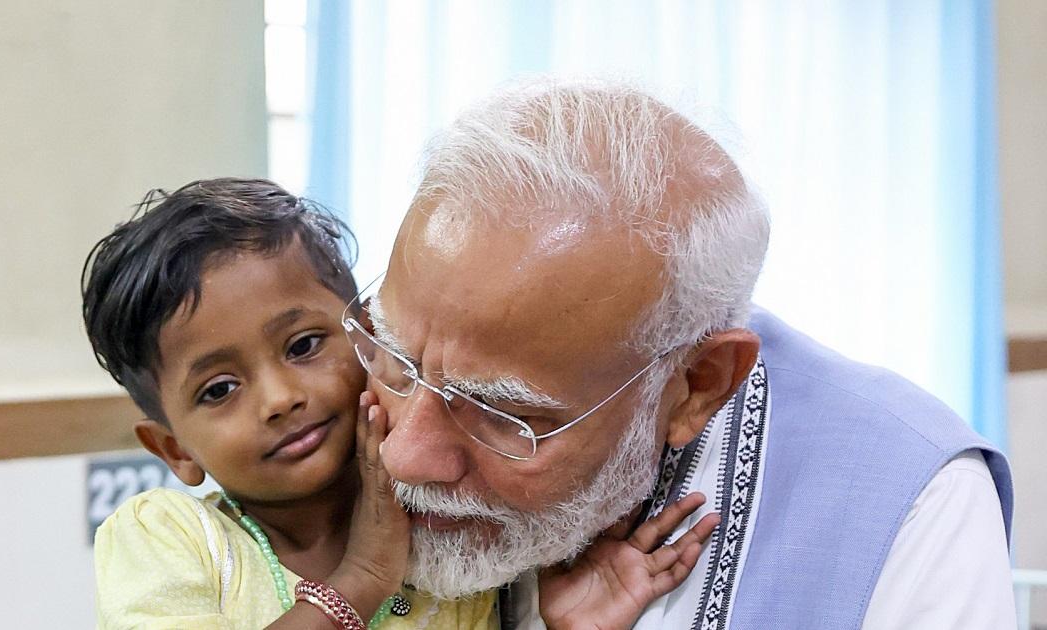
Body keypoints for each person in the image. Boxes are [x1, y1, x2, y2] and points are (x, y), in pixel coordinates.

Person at [355, 79, 1016, 629]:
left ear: (699, 385)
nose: (402, 455)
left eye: (502, 413)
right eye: (394, 357)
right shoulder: (323, 425)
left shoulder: (911, 503)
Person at [80, 177, 718, 629]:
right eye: (219, 389)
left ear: (375, 337)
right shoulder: (168, 538)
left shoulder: (451, 530)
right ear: (175, 449)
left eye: (303, 346)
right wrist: (359, 581)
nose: (279, 398)